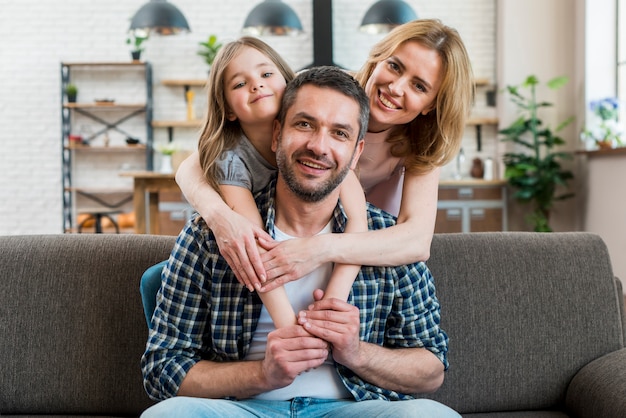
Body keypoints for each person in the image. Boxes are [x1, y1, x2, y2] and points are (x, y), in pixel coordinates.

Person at [141, 66, 459, 417]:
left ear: (356, 153)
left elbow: (432, 369)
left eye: (339, 133)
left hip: (355, 409)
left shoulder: (385, 240)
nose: (318, 146)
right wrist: (262, 374)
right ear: (277, 133)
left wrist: (356, 352)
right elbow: (162, 369)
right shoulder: (214, 236)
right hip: (243, 409)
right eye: (304, 124)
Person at [174, 19, 474, 292]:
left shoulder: (423, 142)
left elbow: (417, 241)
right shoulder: (324, 89)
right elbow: (196, 165)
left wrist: (318, 249)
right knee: (163, 277)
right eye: (394, 66)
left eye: (419, 86)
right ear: (377, 57)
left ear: (432, 105)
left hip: (364, 254)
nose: (395, 87)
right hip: (287, 235)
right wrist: (220, 216)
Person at [144, 36, 367, 328]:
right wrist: (289, 327)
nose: (256, 85)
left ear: (287, 82)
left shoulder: (320, 149)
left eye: (266, 74)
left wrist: (334, 299)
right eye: (239, 84)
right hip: (253, 257)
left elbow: (358, 223)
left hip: (308, 244)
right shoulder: (231, 160)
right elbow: (253, 242)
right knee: (157, 279)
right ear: (228, 109)